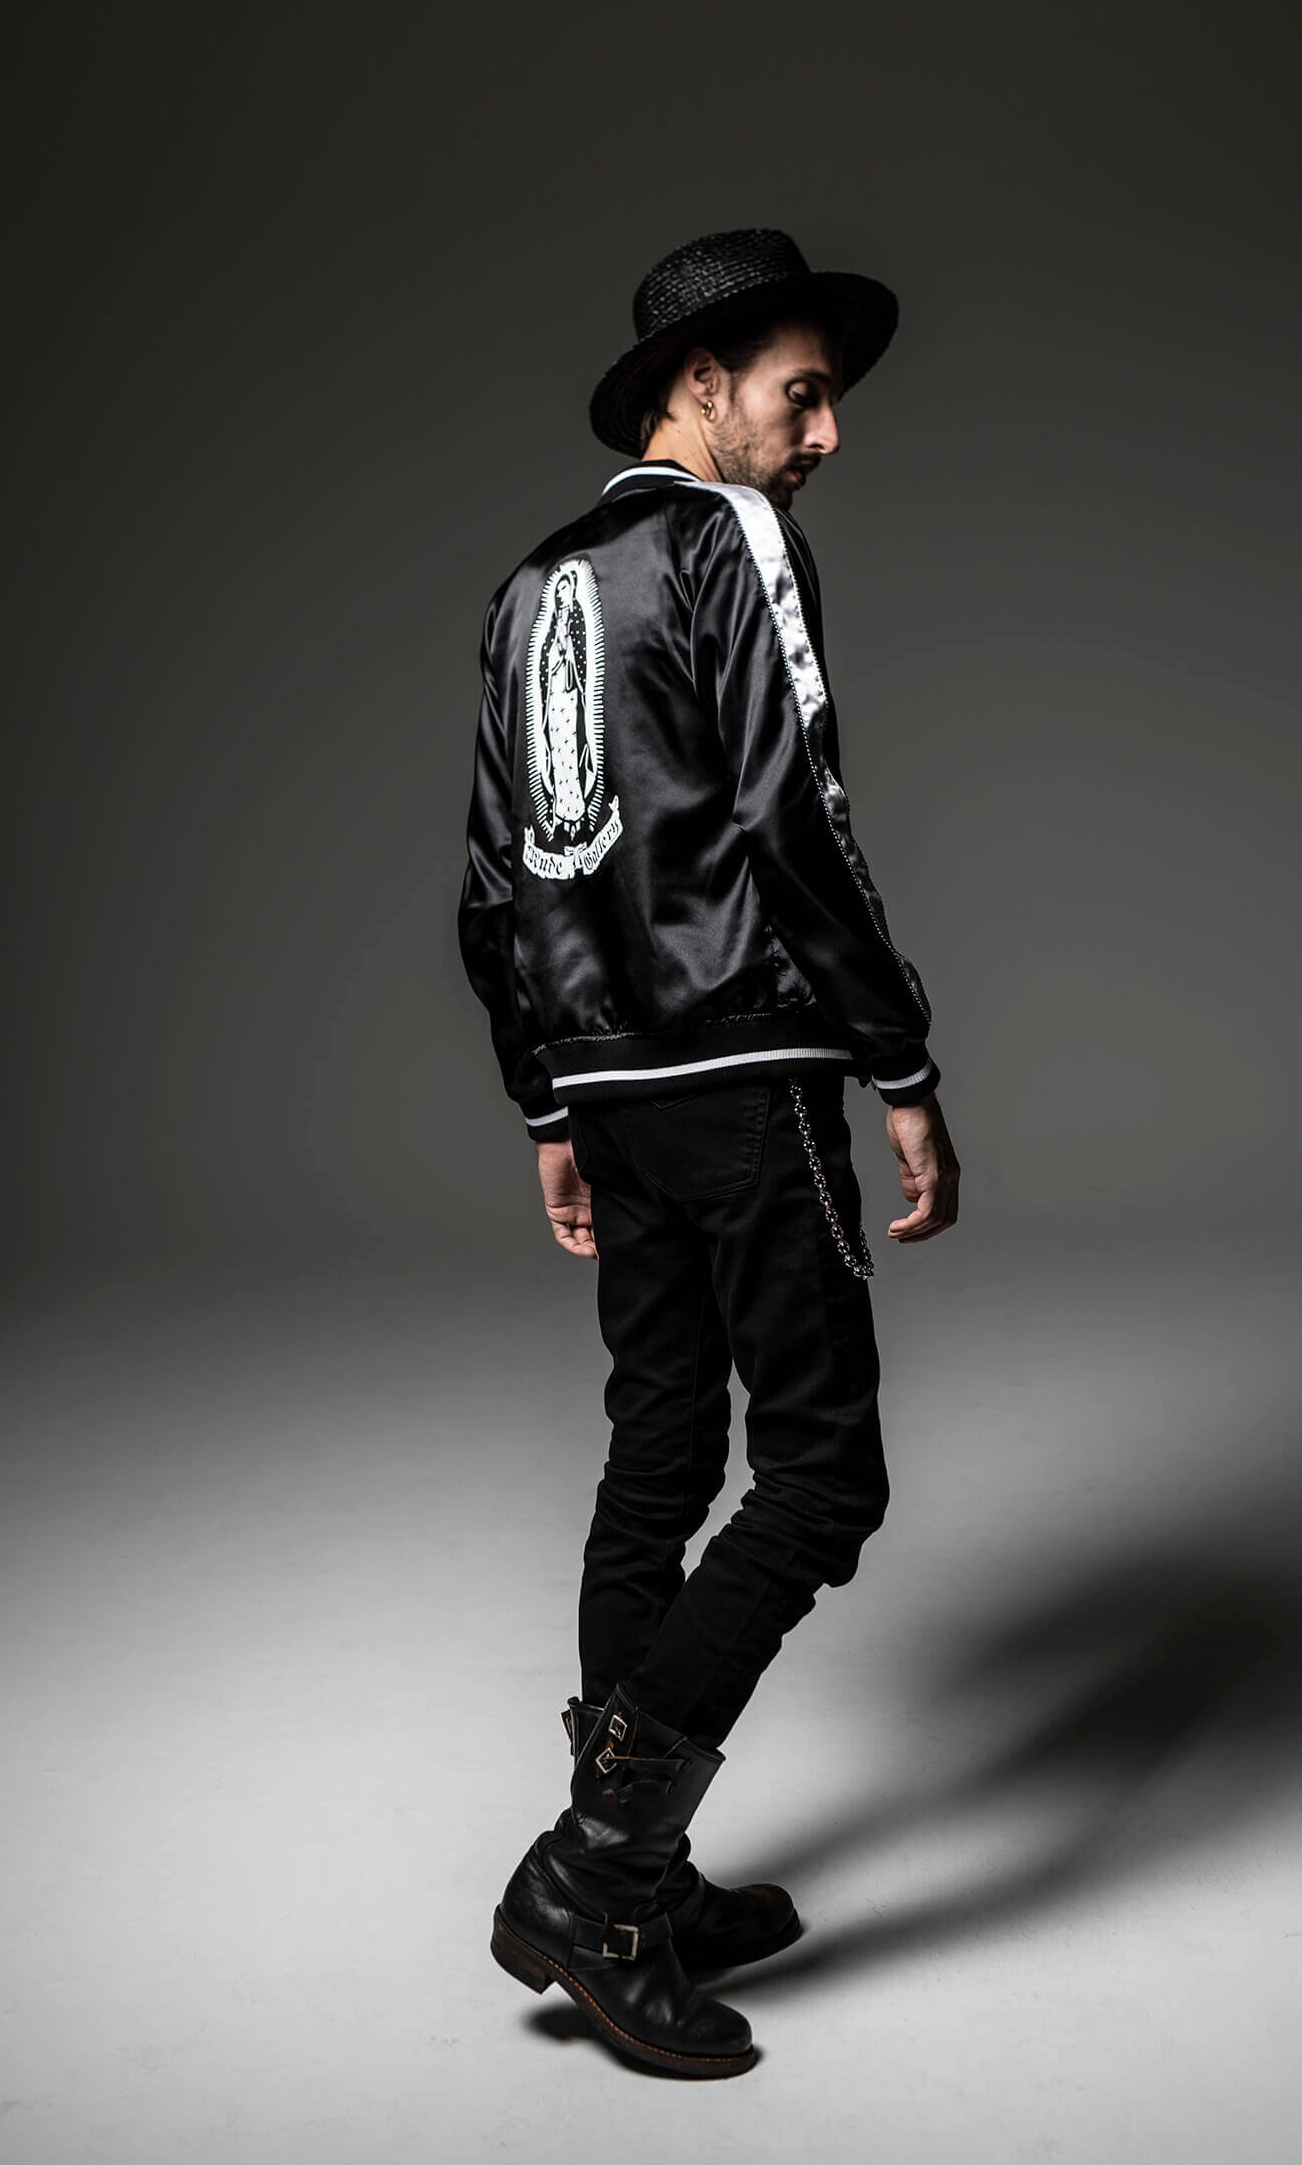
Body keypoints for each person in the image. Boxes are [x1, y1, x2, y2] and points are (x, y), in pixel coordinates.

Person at [456, 226, 961, 2078]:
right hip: (743, 1069)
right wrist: (899, 1055)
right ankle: (600, 1867)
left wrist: (548, 1098)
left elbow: (491, 882)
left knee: (664, 1447)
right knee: (822, 1479)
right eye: (801, 395)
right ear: (701, 384)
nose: (826, 436)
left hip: (610, 1084)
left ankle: (639, 1876)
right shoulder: (728, 540)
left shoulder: (529, 586)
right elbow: (799, 817)